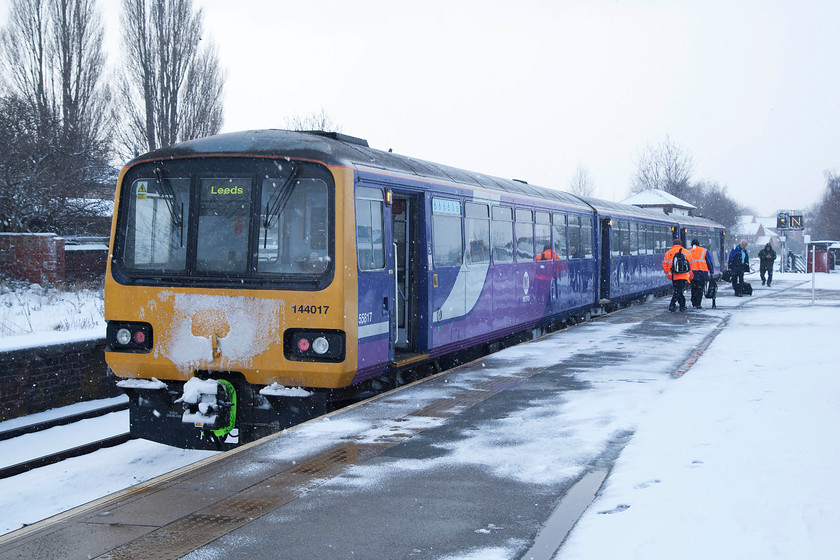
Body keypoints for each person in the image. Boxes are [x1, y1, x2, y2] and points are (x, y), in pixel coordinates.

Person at [662, 237, 692, 312]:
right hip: (683, 275)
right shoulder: (686, 252)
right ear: (680, 244)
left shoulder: (668, 253)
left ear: (673, 244)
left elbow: (664, 264)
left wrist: (668, 273)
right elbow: (690, 263)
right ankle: (672, 305)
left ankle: (682, 305)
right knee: (678, 291)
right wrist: (690, 273)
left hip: (673, 275)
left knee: (677, 290)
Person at [686, 239, 714, 308]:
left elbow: (687, 262)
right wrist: (711, 271)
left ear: (692, 245)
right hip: (702, 272)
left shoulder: (689, 251)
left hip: (693, 273)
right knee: (700, 289)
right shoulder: (704, 251)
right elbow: (709, 262)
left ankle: (693, 301)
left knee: (693, 288)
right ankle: (698, 303)